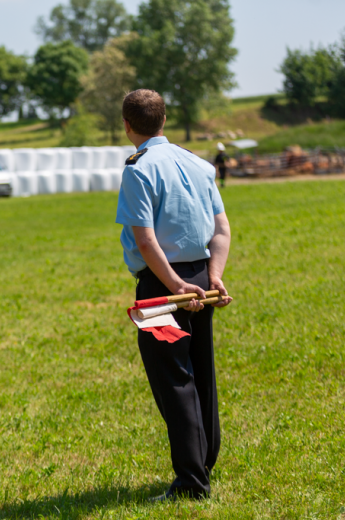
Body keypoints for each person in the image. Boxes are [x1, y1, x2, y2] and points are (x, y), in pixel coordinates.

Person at [115, 89, 233, 502]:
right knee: (202, 372)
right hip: (201, 276)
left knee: (174, 380)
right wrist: (213, 276)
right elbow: (221, 231)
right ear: (164, 119)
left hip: (162, 289)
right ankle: (204, 462)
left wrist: (174, 286)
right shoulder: (199, 165)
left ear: (127, 125)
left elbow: (146, 241)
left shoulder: (138, 169)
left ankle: (190, 483)